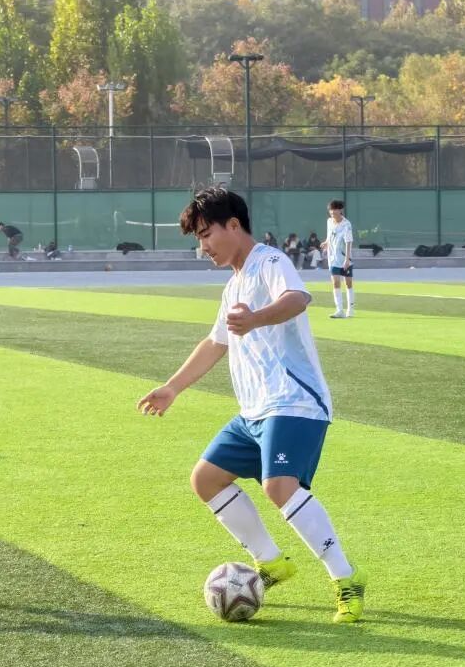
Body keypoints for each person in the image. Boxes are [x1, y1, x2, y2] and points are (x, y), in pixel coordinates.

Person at [136, 187, 367, 623]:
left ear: (234, 225)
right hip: (254, 410)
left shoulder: (270, 262)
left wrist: (256, 319)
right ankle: (271, 562)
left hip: (294, 401)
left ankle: (346, 577)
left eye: (206, 234)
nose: (203, 247)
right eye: (198, 239)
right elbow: (215, 342)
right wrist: (172, 387)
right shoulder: (233, 285)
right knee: (206, 479)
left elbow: (298, 299)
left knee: (278, 486)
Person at [320, 199, 355, 318]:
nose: (332, 212)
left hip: (344, 257)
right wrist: (326, 242)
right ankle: (339, 310)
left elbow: (349, 242)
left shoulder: (346, 224)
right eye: (330, 210)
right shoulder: (329, 221)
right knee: (335, 282)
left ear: (340, 210)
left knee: (348, 283)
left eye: (334, 209)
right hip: (333, 258)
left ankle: (350, 309)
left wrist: (347, 259)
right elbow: (329, 234)